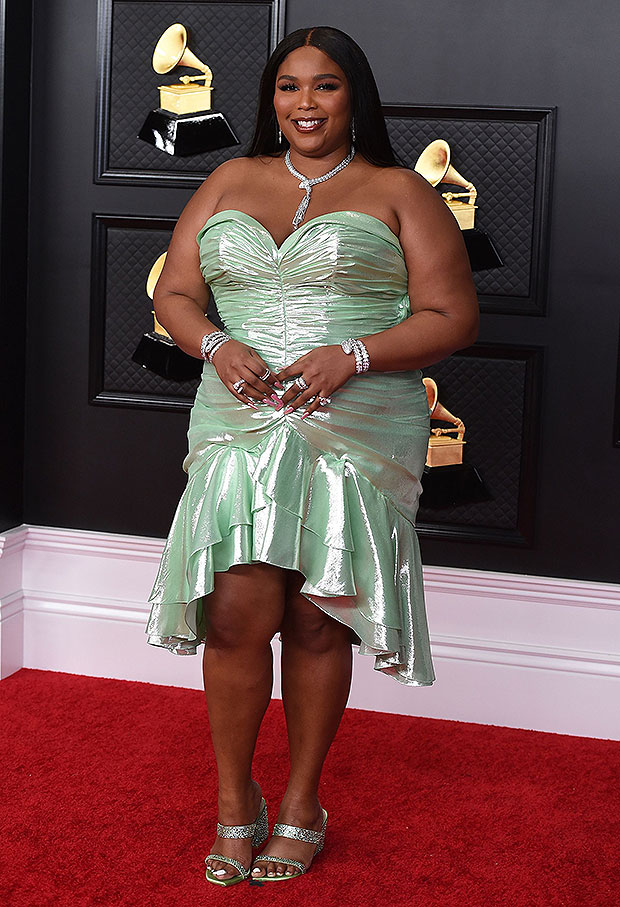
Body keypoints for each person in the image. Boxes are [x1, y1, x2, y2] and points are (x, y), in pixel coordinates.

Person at [145, 25, 479, 886]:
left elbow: (452, 316)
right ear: (271, 99)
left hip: (356, 422)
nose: (305, 103)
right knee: (236, 611)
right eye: (288, 86)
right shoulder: (229, 178)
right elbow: (176, 291)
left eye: (325, 85)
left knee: (319, 613)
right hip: (241, 416)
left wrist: (355, 353)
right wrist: (217, 344)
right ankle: (235, 802)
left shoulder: (399, 190)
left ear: (353, 96)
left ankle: (301, 802)